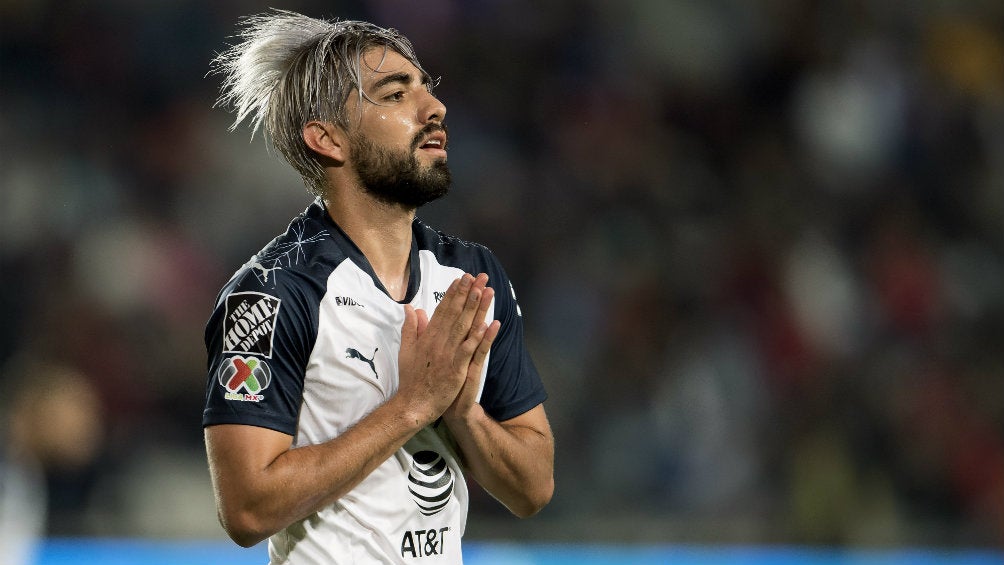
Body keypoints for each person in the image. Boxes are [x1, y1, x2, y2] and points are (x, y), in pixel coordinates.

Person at [201, 10, 554, 564]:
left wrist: (463, 413)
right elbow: (247, 511)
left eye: (426, 87)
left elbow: (533, 488)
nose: (434, 108)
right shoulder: (270, 295)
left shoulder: (471, 277)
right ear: (327, 138)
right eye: (394, 94)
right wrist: (412, 406)